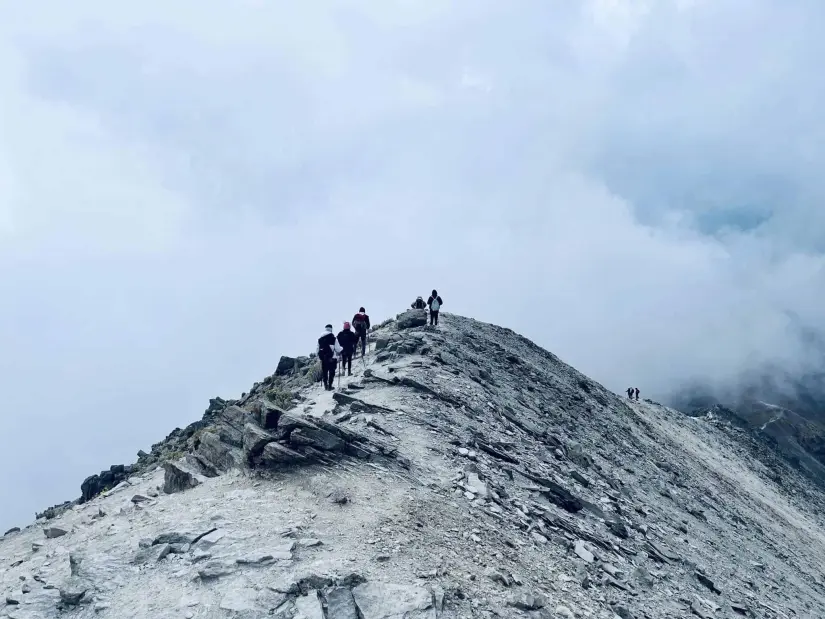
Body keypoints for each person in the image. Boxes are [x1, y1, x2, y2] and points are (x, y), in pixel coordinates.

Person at [317, 324, 342, 390]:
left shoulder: (320, 339)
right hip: (332, 358)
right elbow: (338, 349)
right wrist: (342, 349)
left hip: (323, 358)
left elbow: (317, 349)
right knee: (332, 372)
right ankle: (330, 386)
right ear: (331, 329)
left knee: (325, 372)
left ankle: (325, 385)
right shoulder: (333, 338)